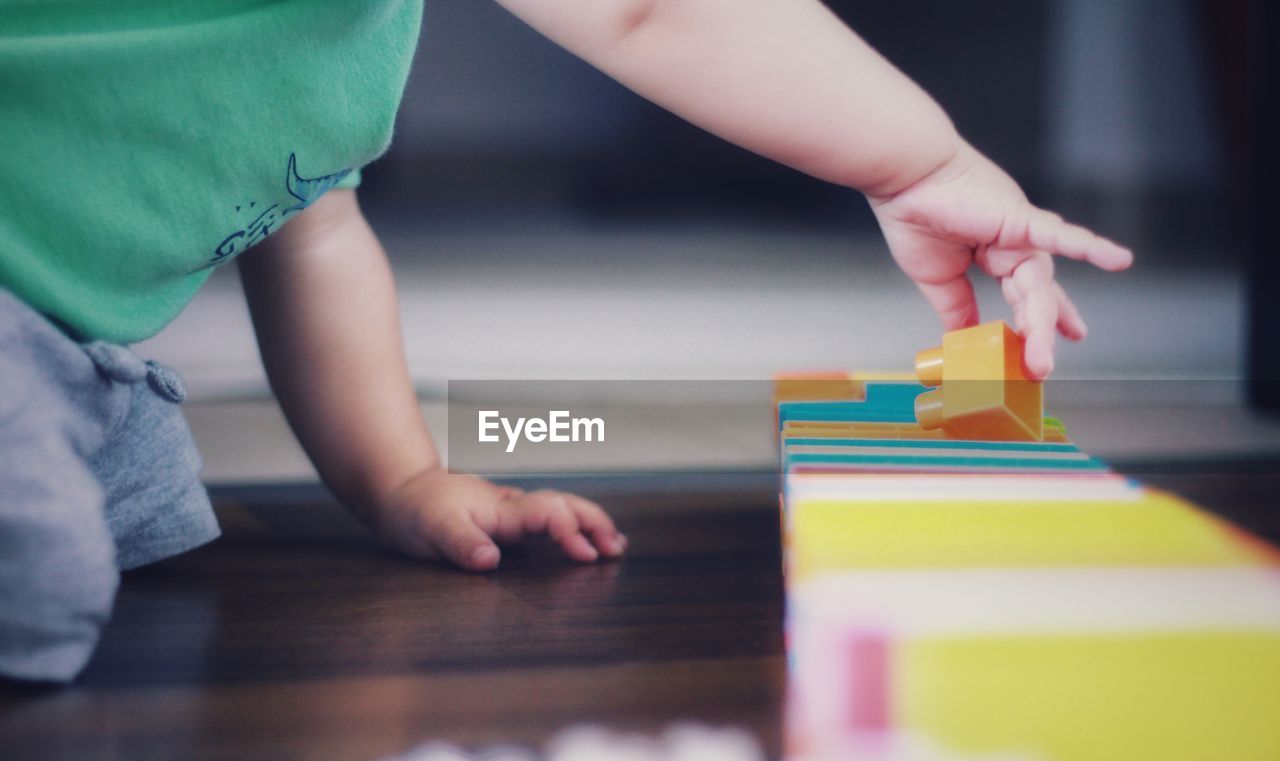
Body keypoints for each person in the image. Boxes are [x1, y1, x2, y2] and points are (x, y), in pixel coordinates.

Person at [0, 0, 1132, 682]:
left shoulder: (340, 46)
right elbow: (655, 11)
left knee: (137, 482)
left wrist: (399, 478)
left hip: (74, 352)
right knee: (47, 569)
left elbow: (311, 234)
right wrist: (916, 161)